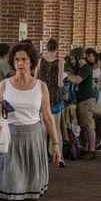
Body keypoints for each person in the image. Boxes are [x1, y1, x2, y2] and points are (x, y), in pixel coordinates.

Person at [0, 40, 62, 201]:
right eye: (17, 59)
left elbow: (48, 116)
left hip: (33, 136)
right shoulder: (5, 85)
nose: (20, 63)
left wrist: (56, 144)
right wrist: (0, 109)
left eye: (24, 59)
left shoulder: (40, 87)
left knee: (31, 184)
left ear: (31, 62)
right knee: (11, 183)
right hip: (11, 137)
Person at [36, 38, 65, 166]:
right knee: (56, 128)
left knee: (43, 128)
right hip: (55, 96)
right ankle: (60, 158)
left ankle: (42, 157)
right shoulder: (60, 62)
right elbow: (60, 83)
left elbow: (35, 78)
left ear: (47, 47)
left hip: (42, 96)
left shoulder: (39, 61)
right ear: (57, 48)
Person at [66, 47, 97, 158]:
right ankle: (85, 147)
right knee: (82, 125)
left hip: (86, 100)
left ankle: (92, 150)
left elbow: (77, 80)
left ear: (78, 58)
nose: (73, 61)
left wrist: (66, 75)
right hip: (81, 100)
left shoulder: (86, 68)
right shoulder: (79, 68)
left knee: (87, 125)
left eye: (73, 59)